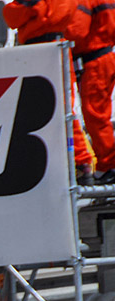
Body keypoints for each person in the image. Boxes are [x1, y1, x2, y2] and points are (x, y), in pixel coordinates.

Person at [4, 0, 96, 184]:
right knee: (59, 109)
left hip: (44, 49)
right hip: (53, 47)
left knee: (57, 109)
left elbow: (13, 15)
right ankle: (79, 162)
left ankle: (80, 162)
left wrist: (26, 11)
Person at [65, 0, 115, 184]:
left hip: (94, 60)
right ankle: (107, 166)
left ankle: (108, 166)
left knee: (95, 115)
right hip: (105, 56)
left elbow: (76, 30)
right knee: (100, 115)